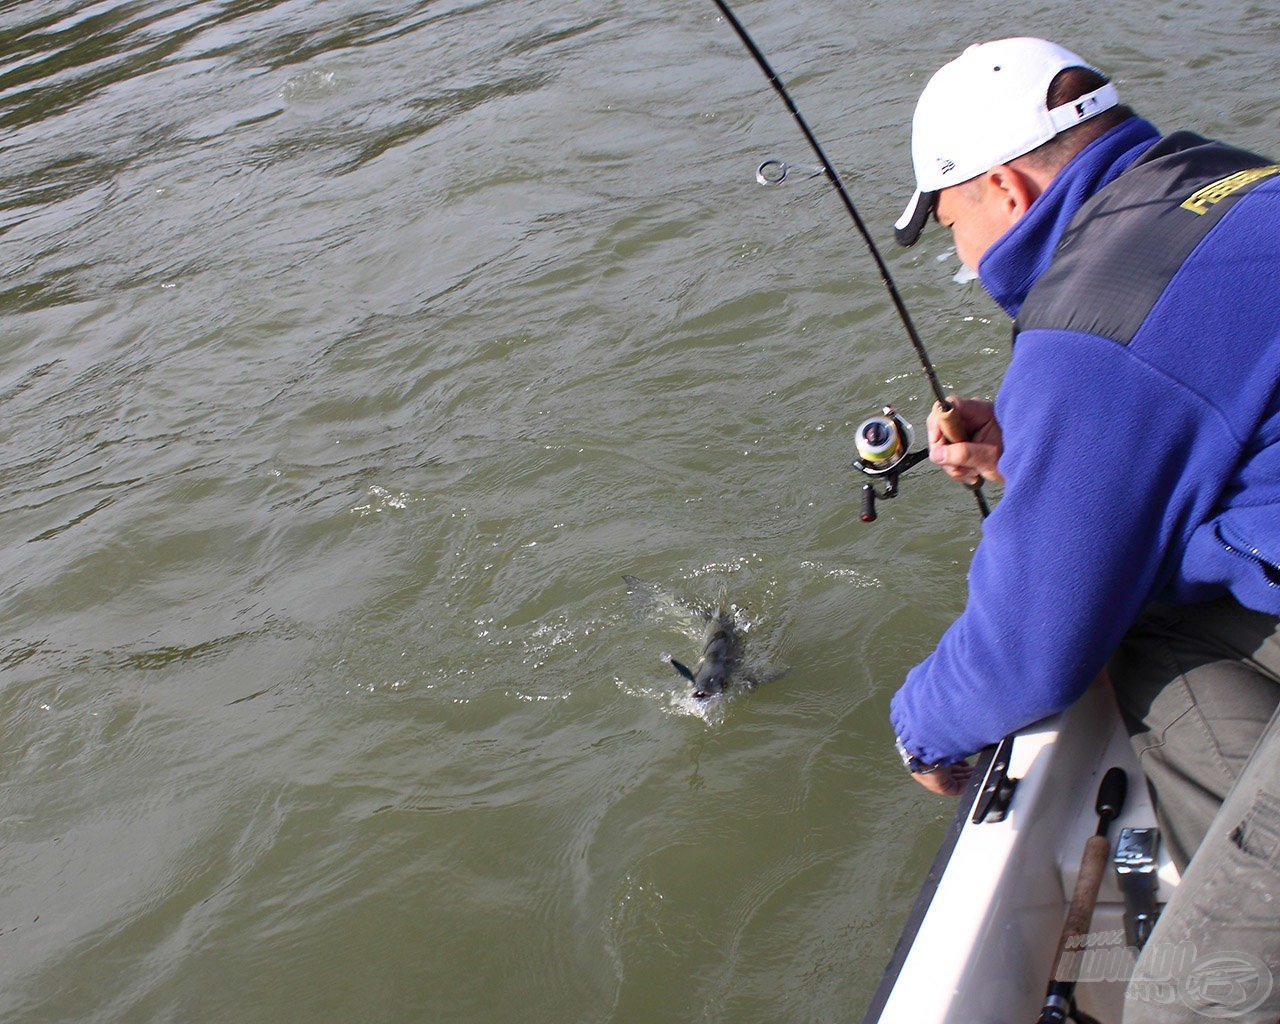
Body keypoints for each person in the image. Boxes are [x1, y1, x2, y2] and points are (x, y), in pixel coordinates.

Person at [888, 37, 1280, 1022]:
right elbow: (1204, 417)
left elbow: (1028, 647)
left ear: (1008, 191)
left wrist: (919, 733)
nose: (962, 255)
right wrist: (1033, 456)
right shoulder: (1224, 181)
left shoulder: (1092, 324)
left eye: (950, 222)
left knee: (1179, 1002)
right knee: (1145, 613)